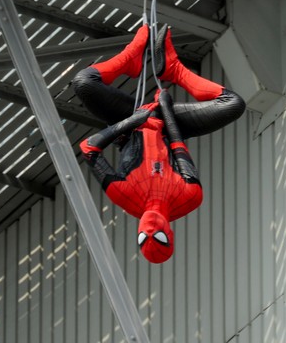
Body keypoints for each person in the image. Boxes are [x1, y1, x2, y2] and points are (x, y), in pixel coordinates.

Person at [73, 24, 245, 264]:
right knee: (233, 104)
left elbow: (88, 149)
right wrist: (164, 108)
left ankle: (131, 56)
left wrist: (132, 121)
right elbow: (178, 146)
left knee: (84, 83)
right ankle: (174, 69)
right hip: (170, 124)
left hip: (131, 123)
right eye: (160, 238)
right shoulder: (189, 198)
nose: (151, 230)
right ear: (170, 234)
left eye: (144, 237)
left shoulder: (124, 196)